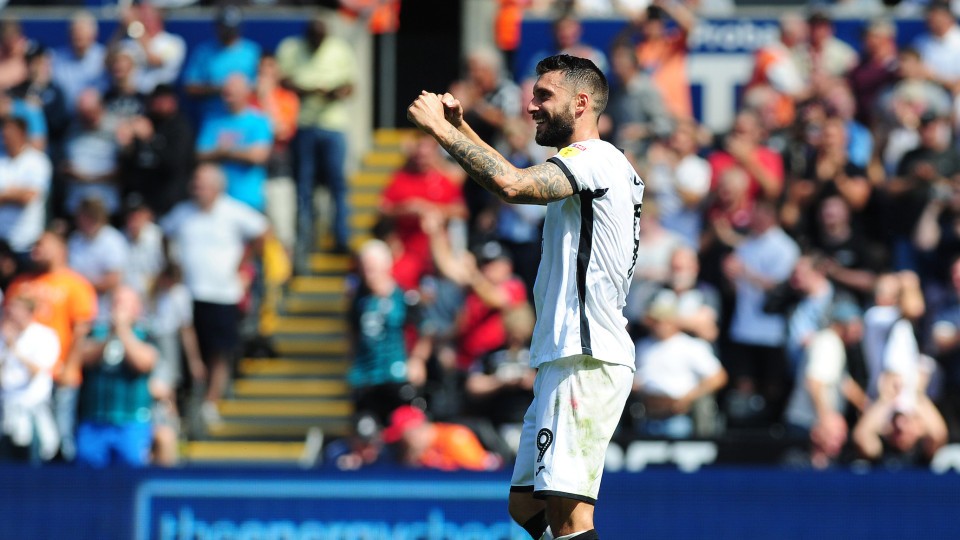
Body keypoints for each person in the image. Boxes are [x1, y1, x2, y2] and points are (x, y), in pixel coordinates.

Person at [407, 53, 644, 540]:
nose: (531, 105)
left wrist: (440, 131)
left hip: (585, 355)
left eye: (543, 95)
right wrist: (463, 128)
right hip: (565, 355)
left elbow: (511, 184)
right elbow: (512, 176)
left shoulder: (596, 159)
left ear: (581, 104)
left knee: (571, 518)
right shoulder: (592, 164)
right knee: (526, 506)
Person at [160, 164, 268, 426]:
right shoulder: (183, 212)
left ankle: (211, 400)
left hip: (222, 293)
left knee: (219, 350)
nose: (198, 188)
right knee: (188, 352)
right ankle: (186, 401)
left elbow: (263, 232)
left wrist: (244, 264)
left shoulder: (233, 211)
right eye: (196, 183)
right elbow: (163, 233)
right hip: (188, 294)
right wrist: (172, 266)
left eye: (204, 184)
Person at [5, 231, 98, 462]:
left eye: (42, 245)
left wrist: (70, 367)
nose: (36, 252)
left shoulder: (75, 284)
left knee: (57, 439)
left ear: (60, 249)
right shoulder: (21, 283)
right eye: (34, 247)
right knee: (18, 437)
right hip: (20, 375)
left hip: (57, 372)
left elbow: (81, 330)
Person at [276, 15, 357, 261]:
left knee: (337, 185)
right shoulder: (291, 48)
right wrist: (311, 91)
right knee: (304, 185)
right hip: (304, 124)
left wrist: (333, 93)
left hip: (333, 125)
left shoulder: (340, 49)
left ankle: (341, 237)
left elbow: (350, 86)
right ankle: (306, 240)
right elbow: (283, 81)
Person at [75, 285, 157, 468]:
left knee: (131, 472)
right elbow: (84, 359)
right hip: (95, 422)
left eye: (125, 303)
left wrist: (123, 330)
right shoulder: (96, 333)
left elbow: (143, 363)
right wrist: (111, 334)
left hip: (132, 421)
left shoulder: (147, 335)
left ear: (137, 308)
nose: (119, 308)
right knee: (88, 477)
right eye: (116, 302)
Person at [783, 300, 869, 469]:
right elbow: (814, 382)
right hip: (808, 425)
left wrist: (867, 406)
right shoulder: (827, 342)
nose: (860, 333)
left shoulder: (833, 343)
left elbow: (844, 384)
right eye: (857, 325)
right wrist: (826, 419)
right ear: (844, 324)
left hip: (816, 426)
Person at [632, 290, 728, 439]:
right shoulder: (642, 346)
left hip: (678, 417)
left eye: (664, 320)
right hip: (645, 413)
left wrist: (688, 398)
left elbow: (718, 377)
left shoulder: (691, 346)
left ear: (674, 320)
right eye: (656, 320)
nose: (659, 325)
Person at [195, 74, 274, 213]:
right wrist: (234, 152)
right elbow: (200, 154)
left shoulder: (259, 121)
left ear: (246, 93)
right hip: (216, 201)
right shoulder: (212, 120)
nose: (228, 95)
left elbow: (258, 156)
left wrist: (224, 152)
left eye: (233, 91)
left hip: (247, 198)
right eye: (225, 91)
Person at [0, 294, 60, 463]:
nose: (11, 313)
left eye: (16, 309)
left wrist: (15, 349)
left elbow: (36, 371)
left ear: (29, 312)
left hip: (33, 411)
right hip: (7, 409)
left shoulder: (44, 336)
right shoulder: (4, 336)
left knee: (33, 464)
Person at [182, 5, 261, 120]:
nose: (228, 33)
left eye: (232, 29)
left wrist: (239, 90)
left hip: (246, 119)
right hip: (212, 118)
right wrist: (220, 89)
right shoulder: (204, 52)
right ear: (217, 27)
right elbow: (190, 87)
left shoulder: (253, 52)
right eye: (224, 28)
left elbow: (264, 86)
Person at [381, 404, 501, 472]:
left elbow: (477, 476)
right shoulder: (422, 452)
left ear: (415, 431)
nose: (401, 447)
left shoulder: (453, 438)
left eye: (402, 441)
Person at [0, 116, 52, 263]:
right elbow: (22, 194)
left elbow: (28, 197)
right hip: (1, 243)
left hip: (26, 243)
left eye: (9, 133)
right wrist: (15, 192)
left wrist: (4, 194)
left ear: (22, 134)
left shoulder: (37, 161)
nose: (5, 138)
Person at [51, 11, 108, 112]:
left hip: (96, 118)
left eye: (82, 36)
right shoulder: (56, 58)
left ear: (93, 36)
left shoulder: (104, 58)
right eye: (75, 35)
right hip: (65, 119)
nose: (78, 40)